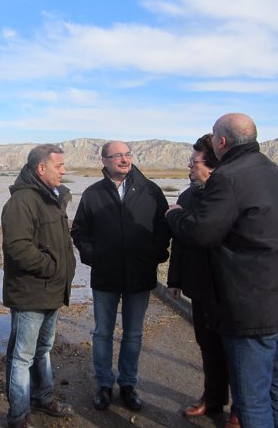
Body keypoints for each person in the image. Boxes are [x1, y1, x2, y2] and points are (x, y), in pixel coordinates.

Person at [166, 113, 278, 428]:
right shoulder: (273, 172)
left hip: (254, 308)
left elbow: (201, 233)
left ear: (221, 142)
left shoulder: (229, 177)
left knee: (251, 399)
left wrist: (175, 215)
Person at [71, 140, 170, 413]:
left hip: (140, 274)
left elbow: (164, 227)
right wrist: (93, 255)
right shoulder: (92, 194)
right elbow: (79, 231)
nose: (124, 160)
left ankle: (128, 385)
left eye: (127, 154)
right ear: (104, 161)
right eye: (117, 156)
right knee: (102, 332)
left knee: (133, 334)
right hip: (105, 276)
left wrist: (155, 253)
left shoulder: (151, 190)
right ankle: (104, 385)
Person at [1, 143, 77, 428]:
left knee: (43, 349)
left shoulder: (53, 197)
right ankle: (19, 415)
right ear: (40, 168)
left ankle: (43, 397)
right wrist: (53, 268)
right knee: (21, 356)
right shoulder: (22, 201)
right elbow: (18, 247)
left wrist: (60, 272)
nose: (64, 170)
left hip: (52, 290)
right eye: (59, 166)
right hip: (30, 292)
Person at [166, 134, 239, 427]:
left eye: (194, 161)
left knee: (234, 349)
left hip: (229, 287)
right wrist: (174, 280)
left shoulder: (229, 193)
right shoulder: (187, 196)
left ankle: (240, 410)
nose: (189, 166)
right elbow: (180, 243)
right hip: (200, 286)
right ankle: (213, 398)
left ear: (211, 164)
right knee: (207, 344)